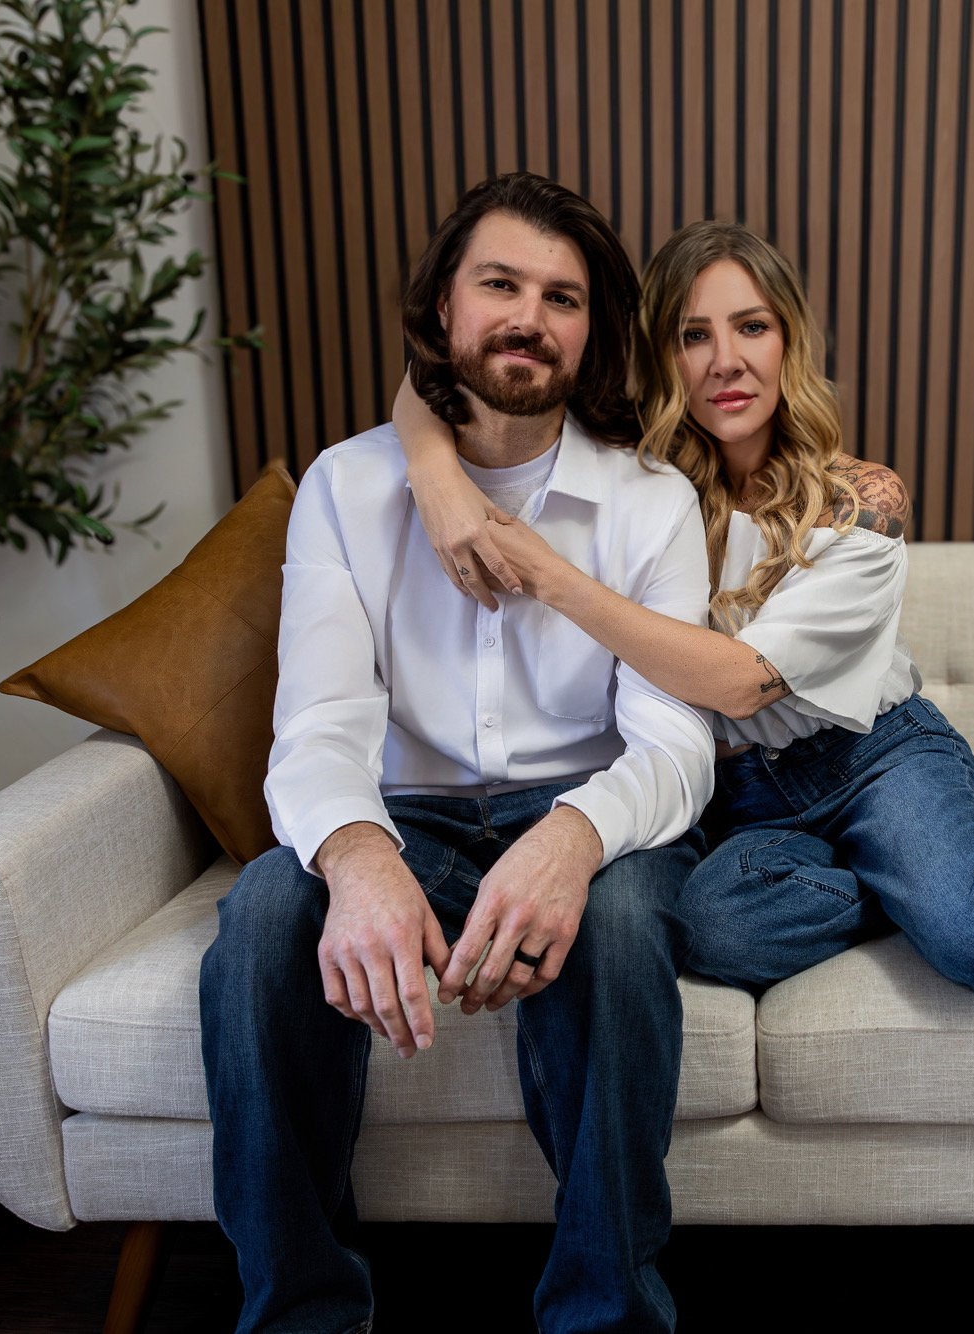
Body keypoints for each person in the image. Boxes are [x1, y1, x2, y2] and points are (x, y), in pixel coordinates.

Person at [394, 219, 974, 1006]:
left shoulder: (860, 500)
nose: (726, 362)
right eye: (692, 335)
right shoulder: (637, 481)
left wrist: (554, 576)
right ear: (659, 354)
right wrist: (434, 475)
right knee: (710, 930)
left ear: (787, 340)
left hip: (877, 756)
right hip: (737, 795)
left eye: (751, 327)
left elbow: (744, 682)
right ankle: (963, 866)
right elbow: (430, 383)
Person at [200, 173, 713, 1334]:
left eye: (563, 297)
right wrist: (354, 855)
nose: (530, 316)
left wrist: (573, 837)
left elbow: (677, 742)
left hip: (594, 804)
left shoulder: (649, 503)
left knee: (625, 925)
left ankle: (607, 1315)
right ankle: (301, 1315)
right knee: (258, 923)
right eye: (500, 284)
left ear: (592, 332)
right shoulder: (347, 484)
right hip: (405, 811)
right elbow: (319, 723)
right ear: (440, 308)